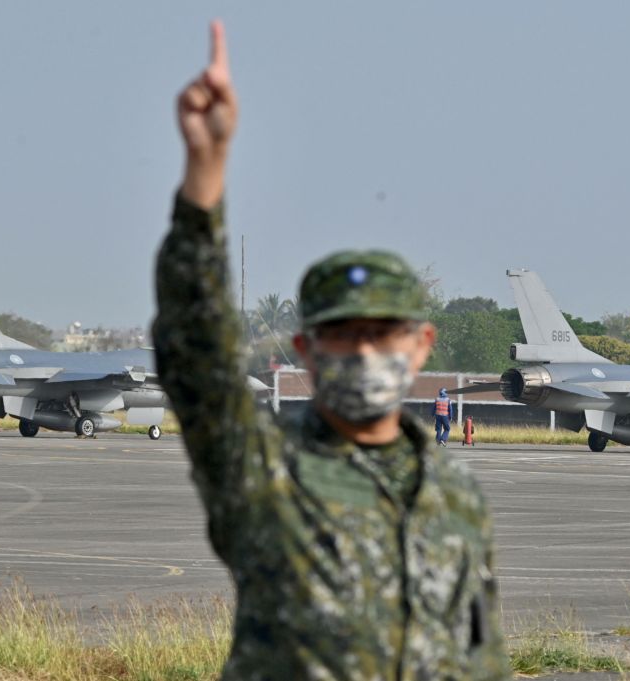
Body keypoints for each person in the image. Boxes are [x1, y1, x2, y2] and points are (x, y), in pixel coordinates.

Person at [152, 21, 509, 680]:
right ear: (306, 350)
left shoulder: (454, 495)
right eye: (343, 334)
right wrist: (207, 165)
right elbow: (194, 352)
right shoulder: (262, 470)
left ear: (421, 345)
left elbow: (481, 654)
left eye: (383, 332)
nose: (365, 350)